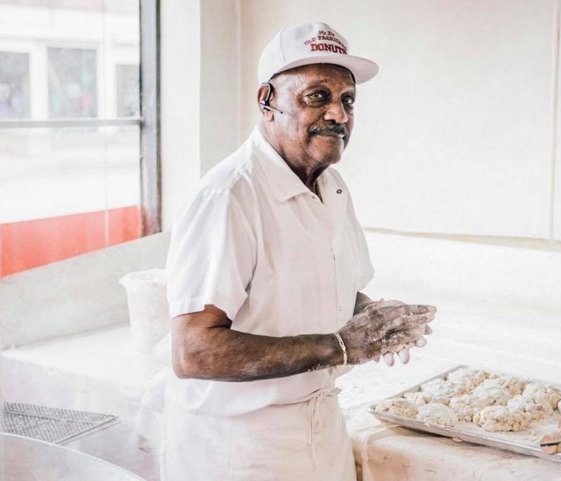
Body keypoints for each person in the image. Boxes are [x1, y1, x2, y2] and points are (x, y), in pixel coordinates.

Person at [161, 21, 436, 481]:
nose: (339, 115)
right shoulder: (230, 197)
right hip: (240, 447)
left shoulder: (331, 187)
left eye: (347, 100)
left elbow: (338, 294)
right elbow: (194, 350)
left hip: (318, 429)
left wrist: (380, 320)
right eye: (318, 97)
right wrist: (340, 347)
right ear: (267, 102)